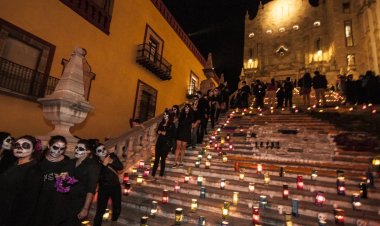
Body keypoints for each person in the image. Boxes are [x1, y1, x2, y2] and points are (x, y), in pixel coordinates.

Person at [0, 135, 43, 226]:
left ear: (33, 150)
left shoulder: (34, 171)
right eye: (17, 145)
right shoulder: (13, 163)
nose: (19, 148)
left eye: (25, 146)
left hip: (13, 218)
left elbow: (28, 203)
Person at [33, 135, 74, 226]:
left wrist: (64, 179)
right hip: (38, 198)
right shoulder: (39, 159)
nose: (58, 151)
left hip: (56, 200)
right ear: (49, 146)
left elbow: (69, 185)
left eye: (62, 149)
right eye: (55, 147)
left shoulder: (68, 162)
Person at [66, 139, 100, 226]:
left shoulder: (92, 166)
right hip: (65, 198)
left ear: (88, 151)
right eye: (76, 147)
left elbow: (91, 189)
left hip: (78, 201)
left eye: (80, 149)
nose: (77, 150)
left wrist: (85, 208)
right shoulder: (71, 162)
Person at [93, 144, 123, 226]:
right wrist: (104, 165)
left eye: (103, 149)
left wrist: (112, 162)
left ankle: (114, 222)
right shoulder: (96, 162)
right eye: (99, 150)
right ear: (96, 153)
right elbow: (97, 176)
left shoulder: (112, 156)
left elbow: (120, 167)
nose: (102, 151)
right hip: (104, 188)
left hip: (115, 186)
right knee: (100, 210)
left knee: (117, 207)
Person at [151, 110, 176, 177]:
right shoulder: (161, 123)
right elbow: (157, 131)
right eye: (164, 115)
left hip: (166, 143)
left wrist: (166, 133)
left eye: (166, 115)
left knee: (163, 159)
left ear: (169, 116)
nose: (165, 116)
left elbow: (173, 134)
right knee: (156, 159)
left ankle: (161, 174)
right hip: (159, 142)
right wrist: (158, 131)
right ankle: (153, 174)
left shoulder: (172, 124)